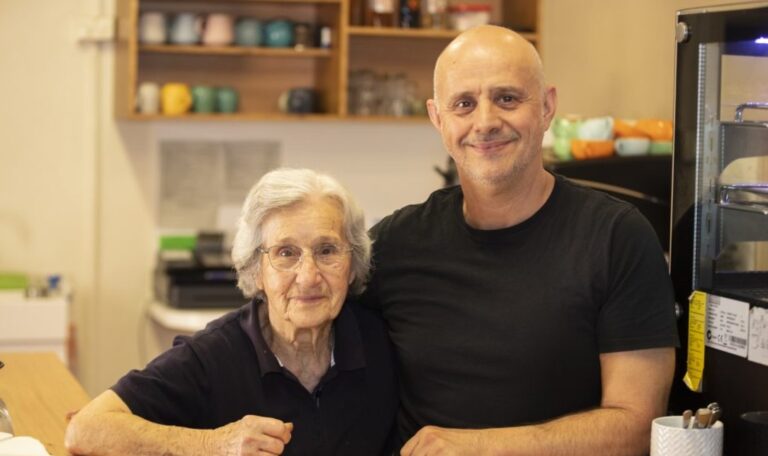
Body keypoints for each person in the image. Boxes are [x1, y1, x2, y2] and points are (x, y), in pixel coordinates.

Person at [361, 25, 679, 455]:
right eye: (464, 104)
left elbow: (639, 428)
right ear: (438, 119)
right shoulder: (396, 244)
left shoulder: (617, 238)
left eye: (507, 98)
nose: (486, 122)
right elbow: (290, 328)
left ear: (547, 107)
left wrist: (480, 447)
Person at [65, 168, 398, 456]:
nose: (309, 275)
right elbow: (88, 429)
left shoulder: (385, 343)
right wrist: (213, 445)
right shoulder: (214, 355)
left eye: (327, 250)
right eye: (286, 253)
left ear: (352, 266)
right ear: (256, 271)